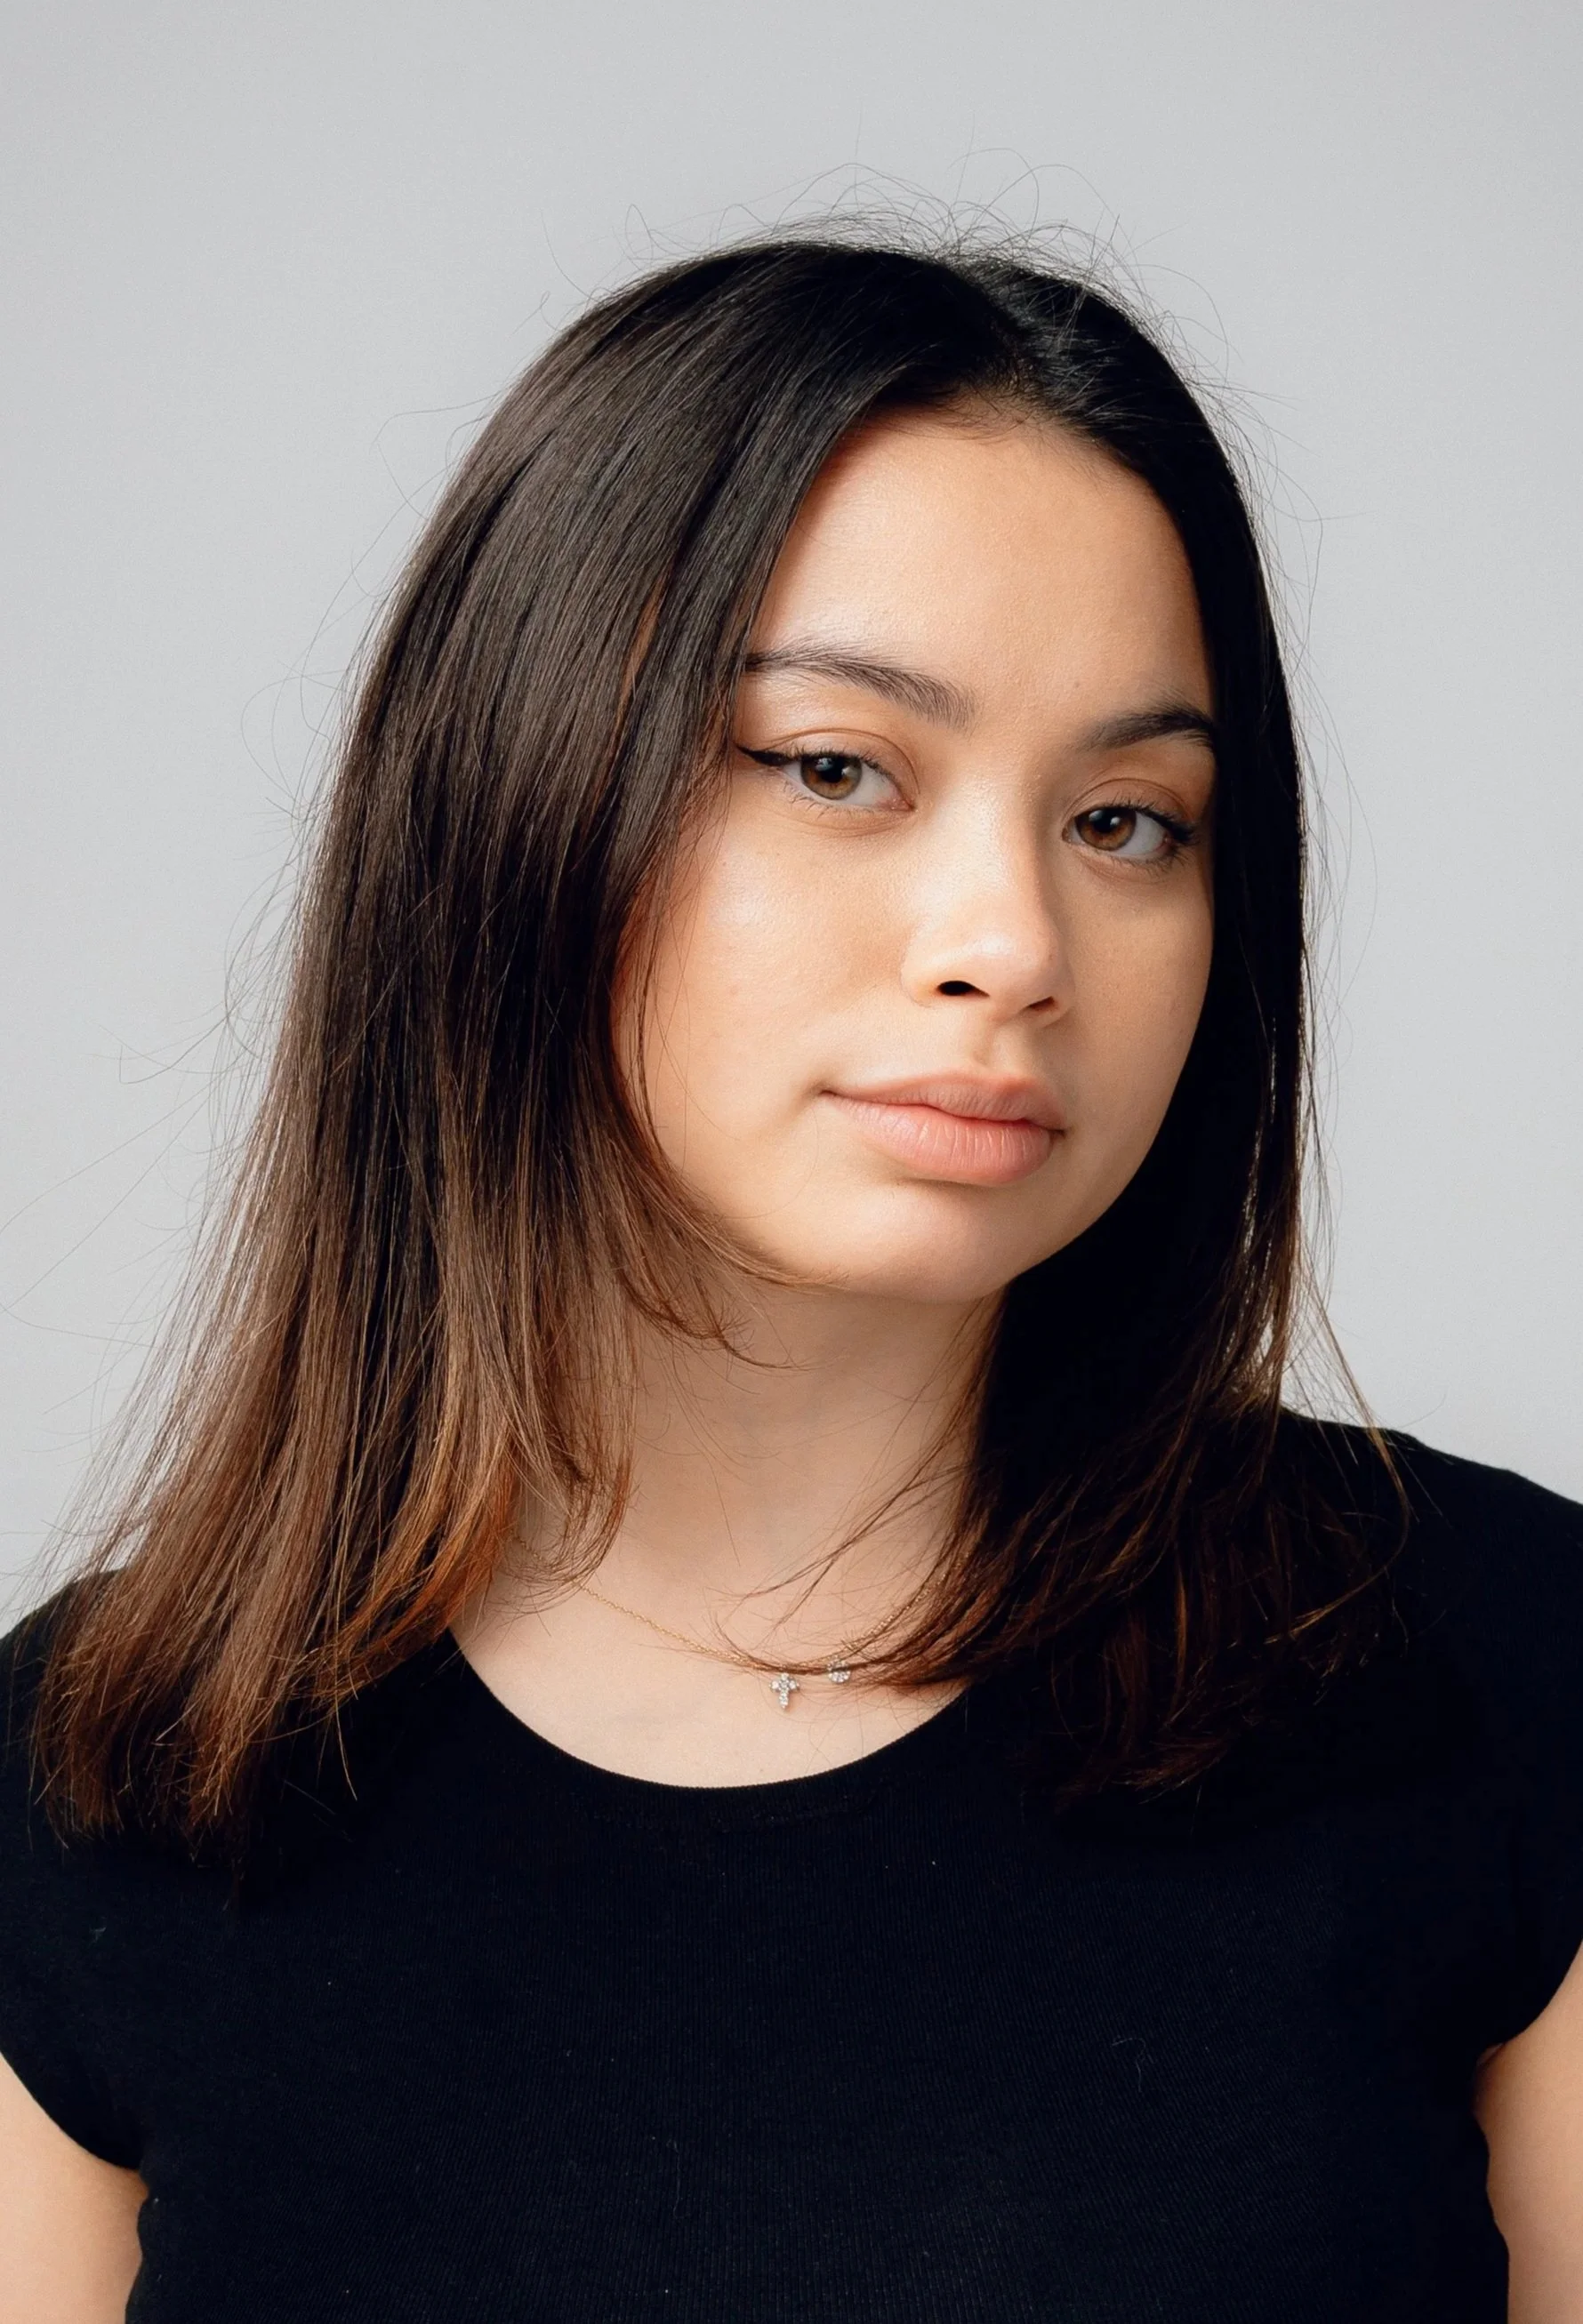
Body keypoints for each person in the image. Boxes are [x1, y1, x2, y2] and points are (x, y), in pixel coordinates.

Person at [1, 234, 1579, 2324]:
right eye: (835, 767)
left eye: (1126, 820)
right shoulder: (99, 1784)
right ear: (511, 803)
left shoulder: (1493, 1669)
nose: (1008, 941)